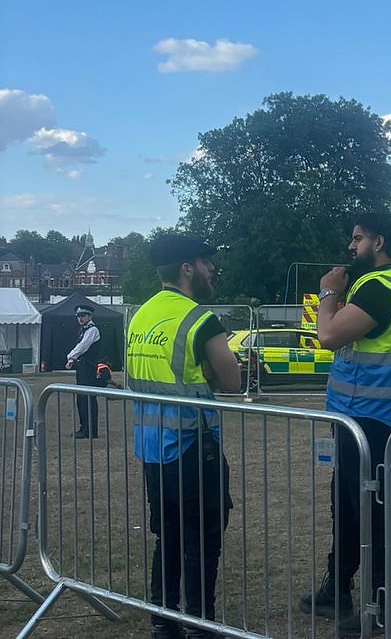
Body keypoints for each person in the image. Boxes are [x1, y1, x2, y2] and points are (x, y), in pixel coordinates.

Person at [300, 213, 391, 636]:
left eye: (357, 238)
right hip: (363, 415)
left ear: (380, 241)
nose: (351, 247)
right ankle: (338, 588)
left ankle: (384, 606)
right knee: (348, 504)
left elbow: (329, 335)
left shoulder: (378, 287)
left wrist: (328, 293)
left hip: (372, 418)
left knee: (375, 510)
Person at [126, 233, 240, 639]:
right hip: (194, 447)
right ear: (187, 269)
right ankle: (201, 624)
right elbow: (231, 379)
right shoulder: (199, 319)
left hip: (152, 448)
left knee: (168, 537)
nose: (212, 270)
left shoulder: (139, 316)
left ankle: (164, 621)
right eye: (206, 263)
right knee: (203, 539)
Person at [65, 303, 101, 439]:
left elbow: (82, 347)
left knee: (87, 397)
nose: (80, 318)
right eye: (78, 316)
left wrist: (70, 356)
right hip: (82, 366)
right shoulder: (84, 329)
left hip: (89, 367)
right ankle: (85, 427)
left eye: (83, 315)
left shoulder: (92, 330)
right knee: (82, 398)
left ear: (90, 316)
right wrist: (72, 360)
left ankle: (89, 430)